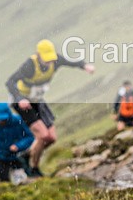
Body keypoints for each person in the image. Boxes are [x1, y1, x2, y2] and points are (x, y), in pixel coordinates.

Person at [6, 39, 95, 177]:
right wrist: (19, 98)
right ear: (38, 55)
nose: (49, 62)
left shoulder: (56, 60)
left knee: (51, 138)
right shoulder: (30, 65)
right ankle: (34, 169)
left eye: (50, 59)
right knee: (43, 136)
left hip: (37, 100)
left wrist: (84, 66)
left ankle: (26, 155)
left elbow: (71, 62)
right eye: (46, 59)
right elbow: (10, 81)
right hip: (23, 102)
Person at [0, 102, 35, 183]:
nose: (2, 121)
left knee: (23, 181)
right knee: (4, 182)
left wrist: (18, 146)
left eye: (4, 119)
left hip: (18, 156)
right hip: (1, 156)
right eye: (0, 119)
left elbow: (30, 137)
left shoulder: (17, 120)